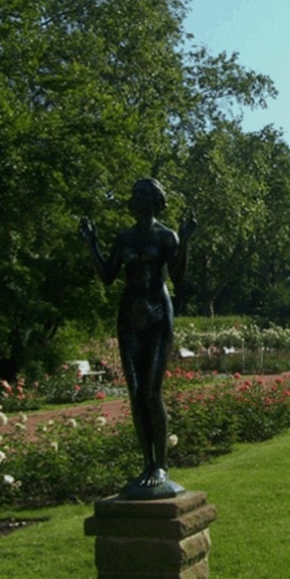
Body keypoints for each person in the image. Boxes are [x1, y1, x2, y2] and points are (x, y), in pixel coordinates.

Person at [79, 178, 196, 497]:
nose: (139, 198)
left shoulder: (165, 236)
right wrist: (92, 245)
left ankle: (160, 465)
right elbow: (106, 276)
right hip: (129, 316)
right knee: (135, 393)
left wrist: (185, 241)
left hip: (158, 312)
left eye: (146, 193)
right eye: (137, 194)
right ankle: (147, 464)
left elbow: (179, 275)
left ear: (157, 200)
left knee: (151, 391)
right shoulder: (124, 238)